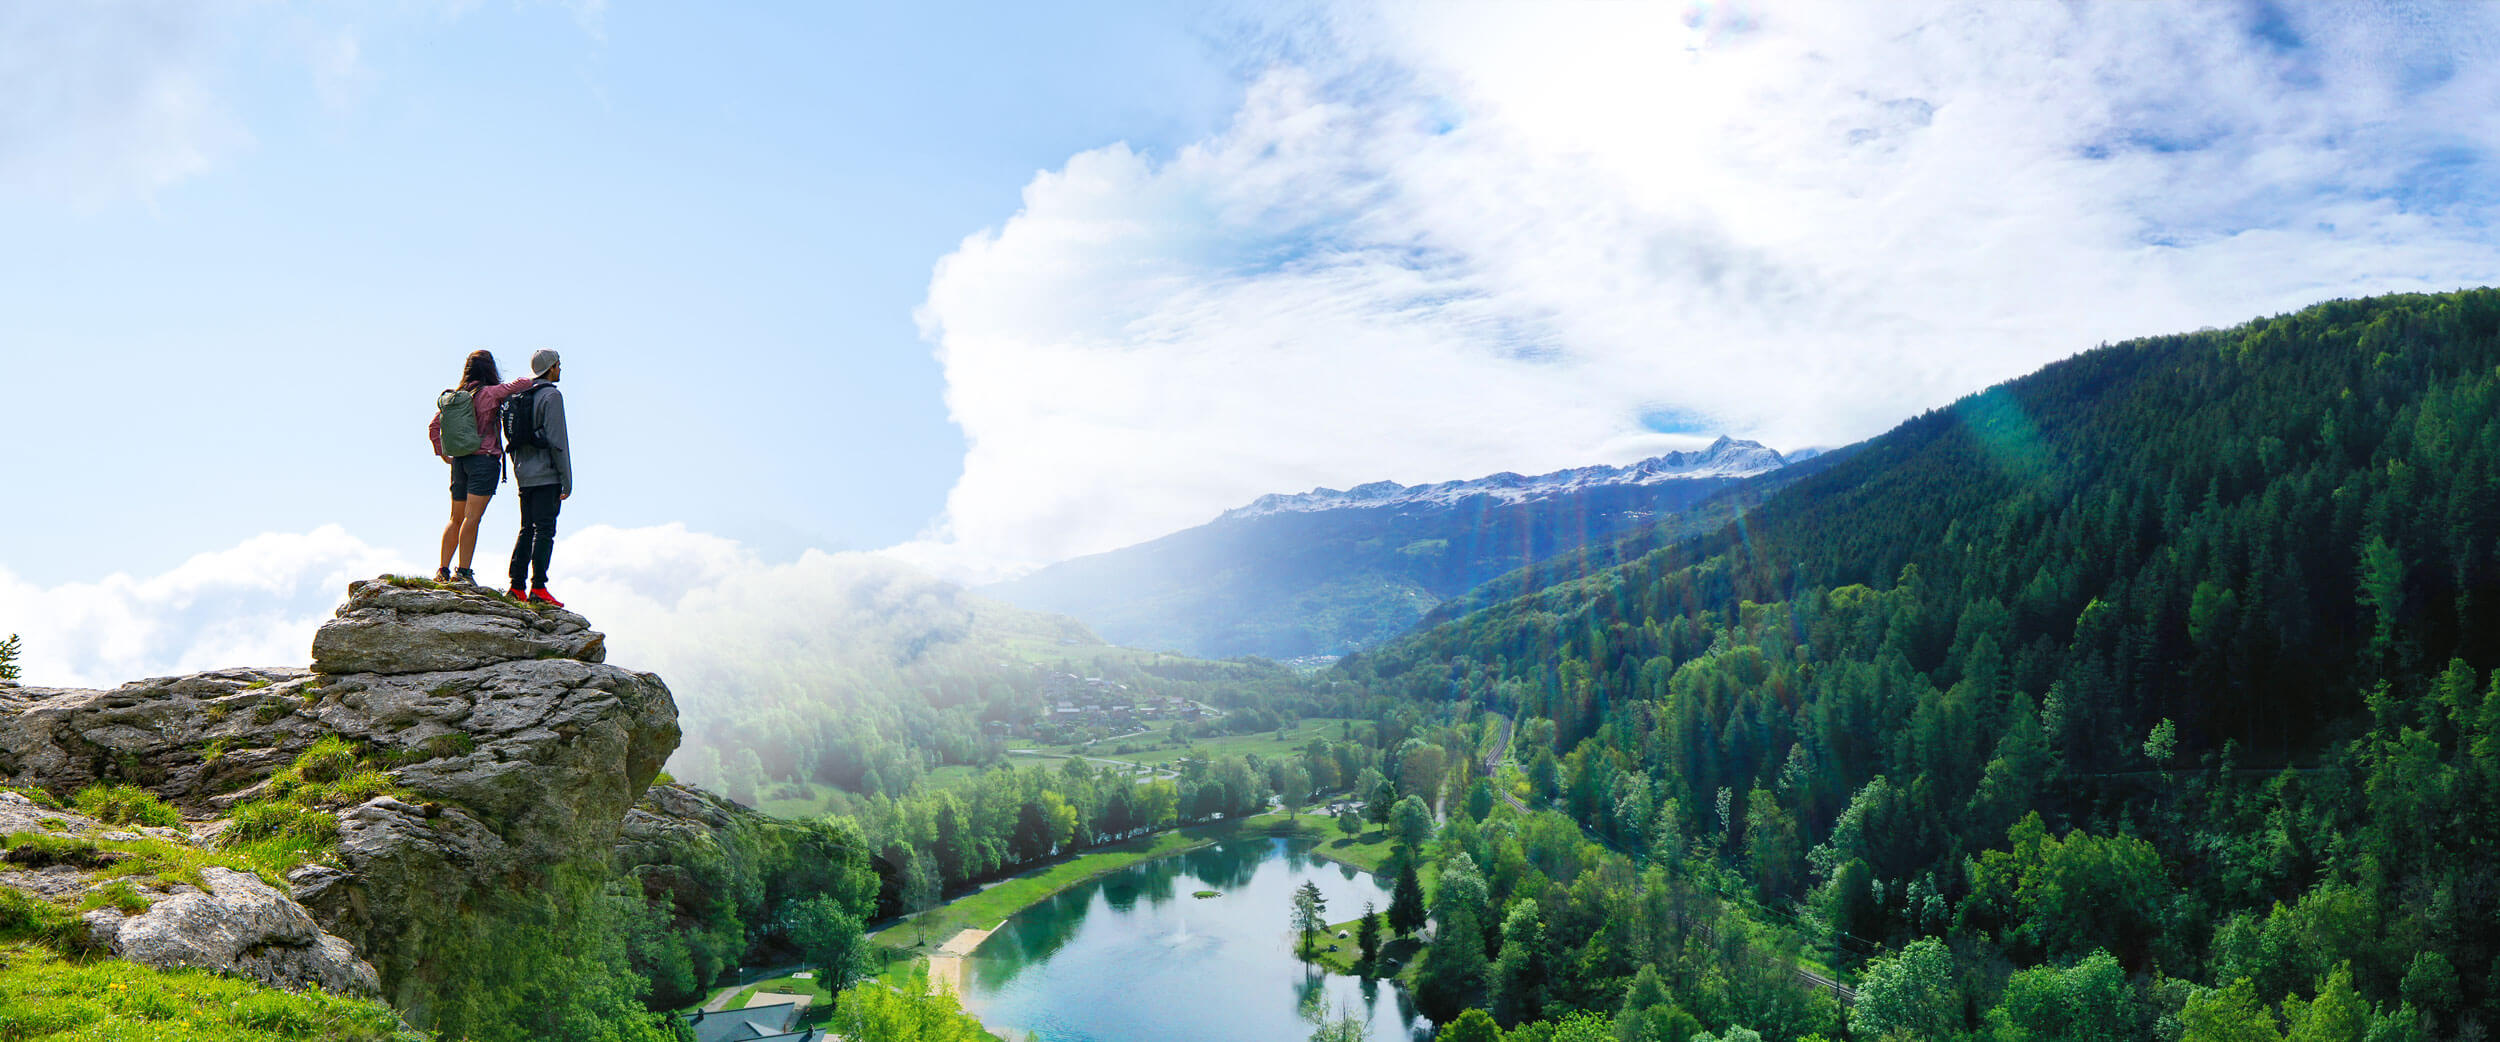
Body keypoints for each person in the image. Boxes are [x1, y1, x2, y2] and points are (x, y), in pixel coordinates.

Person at [428, 350, 534, 584]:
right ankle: (463, 572)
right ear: (490, 369)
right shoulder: (490, 393)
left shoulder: (455, 397)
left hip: (460, 462)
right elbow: (523, 384)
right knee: (472, 518)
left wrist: (443, 453)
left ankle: (442, 570)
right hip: (484, 461)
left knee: (455, 518)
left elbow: (434, 426)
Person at [505, 349, 572, 606]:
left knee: (526, 529)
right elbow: (558, 442)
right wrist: (566, 479)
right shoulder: (551, 396)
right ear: (551, 368)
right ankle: (539, 588)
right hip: (546, 475)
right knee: (544, 531)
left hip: (524, 473)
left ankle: (516, 586)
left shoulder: (521, 395)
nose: (560, 369)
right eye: (558, 365)